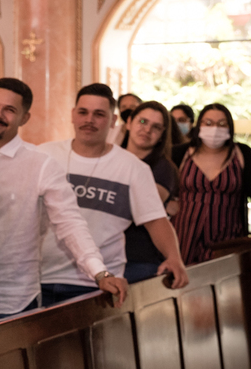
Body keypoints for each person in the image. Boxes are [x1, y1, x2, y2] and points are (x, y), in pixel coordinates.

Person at [0, 78, 121, 322]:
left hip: (15, 300)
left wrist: (100, 272)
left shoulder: (41, 164)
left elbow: (70, 223)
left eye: (9, 110)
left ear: (24, 118)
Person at [38, 85, 188, 305]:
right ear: (73, 114)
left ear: (113, 120)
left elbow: (156, 220)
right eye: (83, 112)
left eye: (99, 114)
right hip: (39, 277)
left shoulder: (133, 168)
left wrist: (174, 258)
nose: (89, 120)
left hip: (99, 282)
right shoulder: (43, 155)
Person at [173, 103, 251, 264]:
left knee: (226, 276)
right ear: (199, 125)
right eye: (208, 123)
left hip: (228, 238)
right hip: (184, 235)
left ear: (230, 127)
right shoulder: (179, 153)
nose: (214, 129)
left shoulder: (242, 154)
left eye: (222, 124)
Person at [120, 101, 182, 281]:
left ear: (162, 134)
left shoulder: (163, 169)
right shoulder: (111, 158)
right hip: (105, 256)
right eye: (142, 122)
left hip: (139, 259)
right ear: (129, 122)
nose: (147, 130)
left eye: (156, 127)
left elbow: (138, 207)